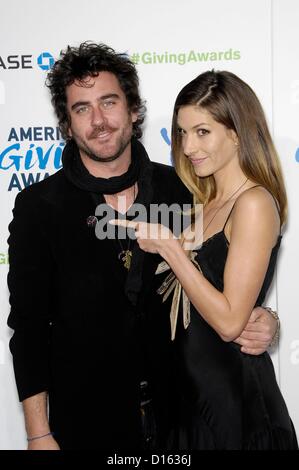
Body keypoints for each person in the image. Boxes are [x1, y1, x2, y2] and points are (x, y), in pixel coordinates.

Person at [7, 44, 278, 451]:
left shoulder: (185, 191)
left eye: (109, 102)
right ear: (66, 124)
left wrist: (266, 317)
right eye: (81, 109)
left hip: (182, 420)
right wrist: (37, 432)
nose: (98, 120)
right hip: (87, 425)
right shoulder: (40, 207)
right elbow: (27, 329)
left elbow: (221, 279)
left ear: (134, 109)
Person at [114, 70, 298, 450]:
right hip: (192, 406)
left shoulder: (254, 203)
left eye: (202, 131)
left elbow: (230, 322)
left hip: (236, 406)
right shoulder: (204, 202)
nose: (188, 146)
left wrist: (171, 250)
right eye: (182, 132)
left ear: (237, 131)